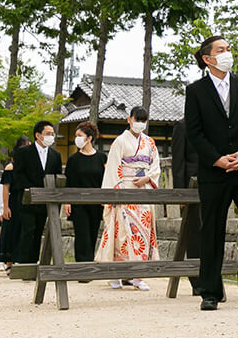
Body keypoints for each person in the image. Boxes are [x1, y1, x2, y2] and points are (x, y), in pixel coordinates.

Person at [184, 35, 238, 310]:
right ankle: (210, 289)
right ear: (208, 58)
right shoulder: (195, 91)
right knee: (212, 229)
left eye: (229, 49)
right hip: (214, 171)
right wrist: (217, 159)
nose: (227, 53)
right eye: (221, 50)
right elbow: (194, 132)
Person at [96, 106, 160, 290]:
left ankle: (138, 276)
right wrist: (114, 193)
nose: (140, 123)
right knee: (122, 233)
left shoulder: (150, 142)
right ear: (128, 119)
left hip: (144, 190)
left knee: (143, 233)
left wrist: (148, 178)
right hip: (124, 189)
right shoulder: (120, 141)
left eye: (143, 120)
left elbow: (155, 166)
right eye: (137, 119)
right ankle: (116, 274)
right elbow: (113, 168)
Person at [10, 121, 62, 266]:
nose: (51, 136)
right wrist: (31, 190)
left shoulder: (55, 155)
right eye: (48, 134)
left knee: (39, 230)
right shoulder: (23, 152)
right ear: (38, 135)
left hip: (45, 200)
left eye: (52, 134)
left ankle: (35, 262)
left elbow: (57, 175)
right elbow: (18, 174)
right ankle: (25, 262)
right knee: (28, 229)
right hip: (27, 199)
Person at [63, 121, 106, 266]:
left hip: (96, 203)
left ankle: (89, 265)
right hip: (78, 203)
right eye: (76, 136)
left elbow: (105, 180)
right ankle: (81, 267)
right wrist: (67, 201)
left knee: (93, 234)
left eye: (80, 136)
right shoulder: (73, 159)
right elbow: (69, 182)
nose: (77, 139)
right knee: (82, 235)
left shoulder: (101, 158)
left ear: (89, 138)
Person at [171, 117, 203, 295]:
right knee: (194, 233)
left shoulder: (212, 123)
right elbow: (178, 161)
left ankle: (210, 276)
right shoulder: (182, 125)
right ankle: (196, 279)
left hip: (212, 183)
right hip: (191, 184)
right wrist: (180, 192)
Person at [0, 136, 28, 270]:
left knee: (23, 230)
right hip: (13, 200)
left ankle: (20, 259)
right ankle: (8, 261)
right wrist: (6, 206)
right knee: (10, 230)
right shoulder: (10, 167)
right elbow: (5, 188)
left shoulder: (28, 166)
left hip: (26, 200)